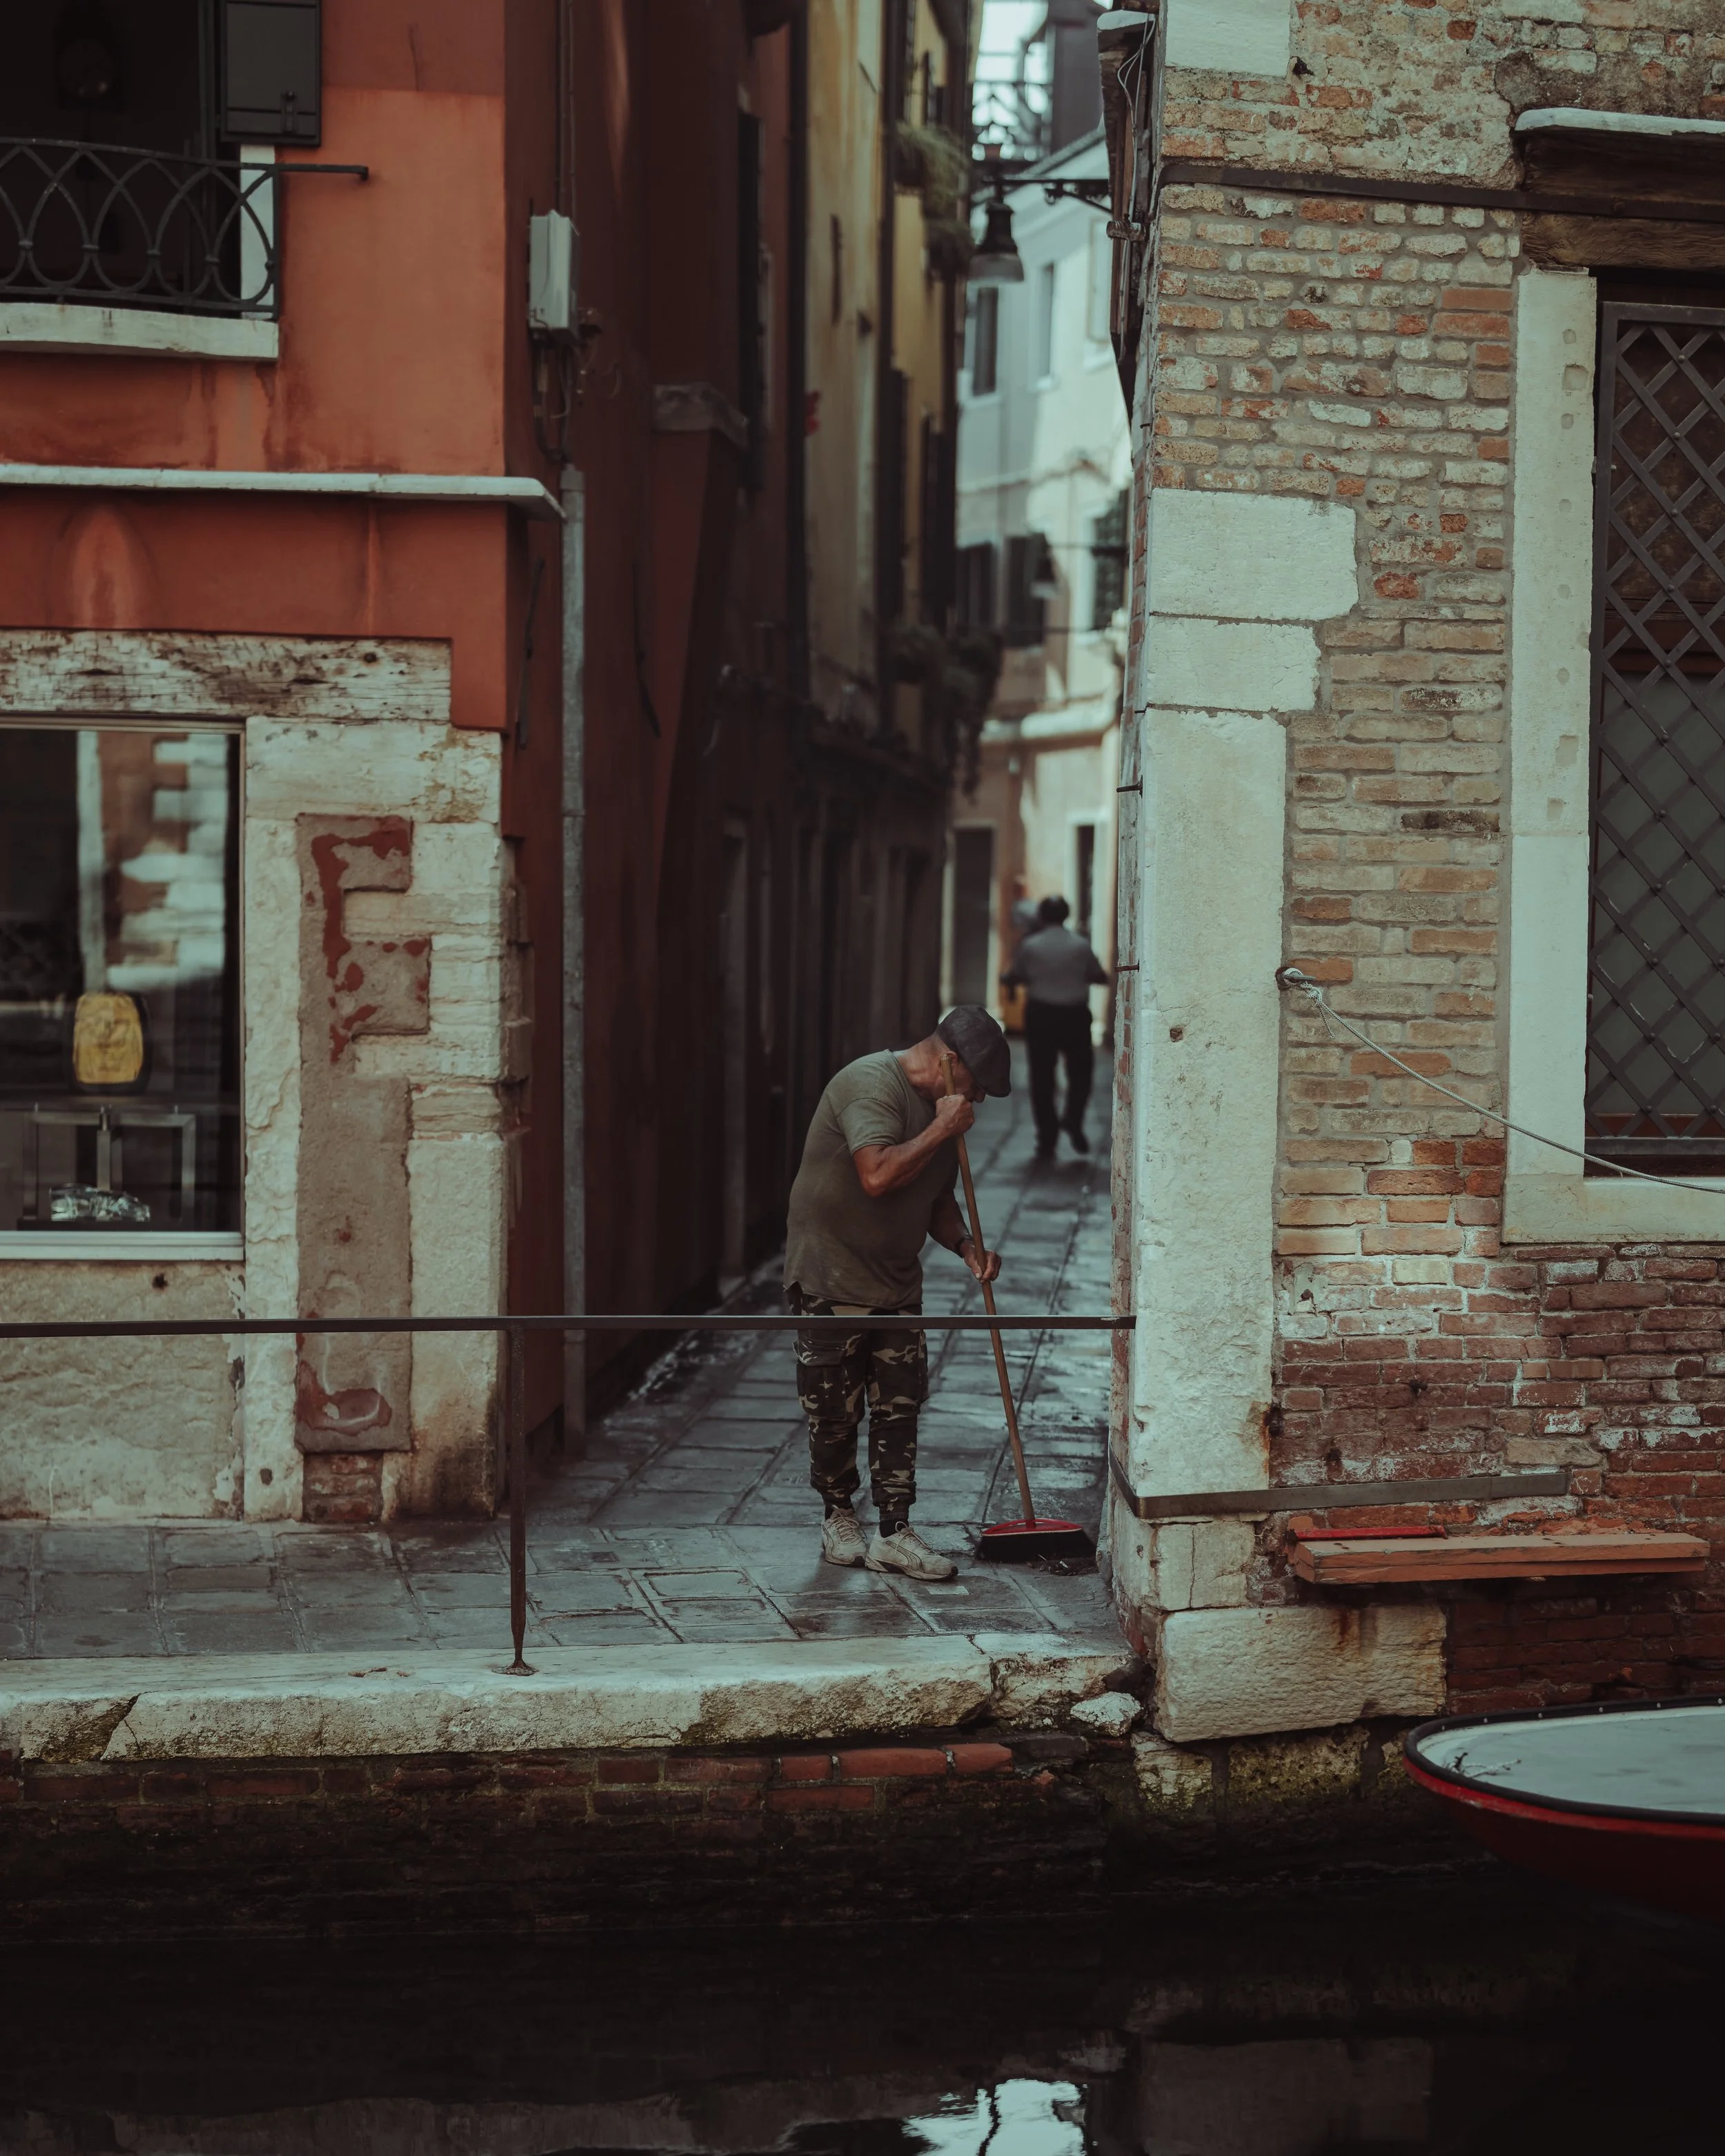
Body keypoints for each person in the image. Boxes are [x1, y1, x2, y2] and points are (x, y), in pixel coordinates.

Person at [783, 1005, 1012, 1581]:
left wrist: (966, 1247)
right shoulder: (869, 1084)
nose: (978, 1102)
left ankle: (894, 1529)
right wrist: (941, 1126)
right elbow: (878, 1175)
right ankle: (838, 1514)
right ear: (951, 1063)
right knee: (833, 1411)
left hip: (896, 1279)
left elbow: (935, 1197)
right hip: (831, 1278)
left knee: (899, 1406)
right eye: (978, 1088)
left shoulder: (946, 1113)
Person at [1000, 895, 1107, 1158]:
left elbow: (1016, 975)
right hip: (1074, 1014)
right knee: (1081, 1073)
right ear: (1066, 915)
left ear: (1043, 916)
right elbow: (1098, 975)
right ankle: (1073, 1118)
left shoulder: (1030, 945)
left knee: (1042, 1077)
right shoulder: (1081, 945)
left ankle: (1047, 1137)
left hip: (1041, 1015)